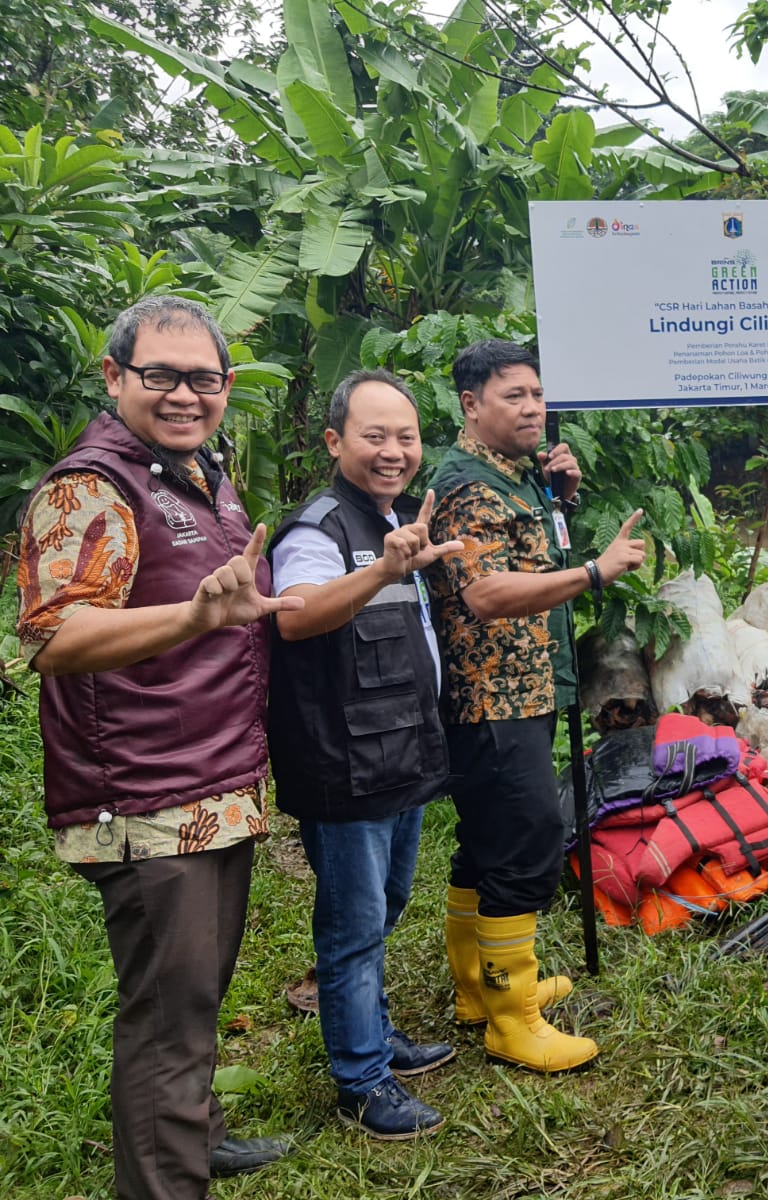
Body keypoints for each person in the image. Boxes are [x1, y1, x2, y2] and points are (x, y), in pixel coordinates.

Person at [15, 297, 298, 1199]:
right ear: (115, 379)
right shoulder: (90, 488)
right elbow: (53, 638)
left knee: (197, 997)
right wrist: (194, 615)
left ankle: (199, 1134)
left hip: (214, 783)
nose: (184, 394)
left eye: (203, 378)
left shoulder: (197, 470)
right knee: (168, 1020)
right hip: (144, 798)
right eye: (160, 376)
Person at [425, 340, 646, 1072]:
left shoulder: (512, 476)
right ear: (471, 405)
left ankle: (475, 991)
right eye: (514, 395)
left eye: (537, 395)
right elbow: (484, 593)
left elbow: (525, 560)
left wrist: (562, 500)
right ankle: (511, 1020)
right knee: (528, 845)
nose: (532, 407)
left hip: (524, 688)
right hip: (493, 696)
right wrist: (594, 570)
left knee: (488, 843)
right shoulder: (467, 486)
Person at [267, 370, 465, 1138]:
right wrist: (383, 568)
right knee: (352, 927)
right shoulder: (318, 530)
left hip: (400, 756)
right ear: (334, 441)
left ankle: (376, 1039)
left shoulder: (393, 518)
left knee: (384, 906)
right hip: (344, 765)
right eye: (374, 436)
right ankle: (362, 1080)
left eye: (406, 437)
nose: (393, 451)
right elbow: (295, 617)